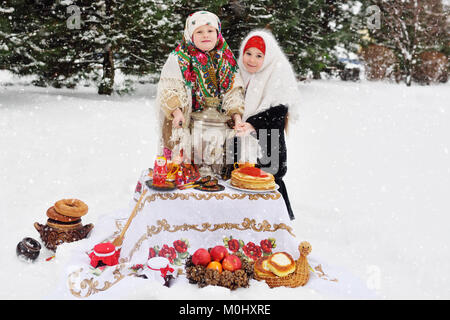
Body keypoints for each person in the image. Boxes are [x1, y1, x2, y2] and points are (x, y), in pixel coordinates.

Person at [156, 11, 245, 175]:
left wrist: (236, 116)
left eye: (210, 31)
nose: (206, 35)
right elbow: (169, 89)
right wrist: (176, 112)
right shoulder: (178, 58)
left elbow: (233, 91)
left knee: (218, 175)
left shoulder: (227, 58)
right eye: (199, 31)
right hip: (187, 124)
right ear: (190, 34)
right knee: (185, 172)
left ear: (217, 33)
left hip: (218, 128)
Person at [235, 29, 300, 220]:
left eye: (258, 55)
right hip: (242, 138)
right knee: (243, 180)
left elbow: (279, 111)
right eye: (248, 53)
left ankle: (278, 223)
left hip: (267, 140)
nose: (251, 60)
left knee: (268, 181)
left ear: (268, 56)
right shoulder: (240, 72)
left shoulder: (278, 71)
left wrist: (253, 124)